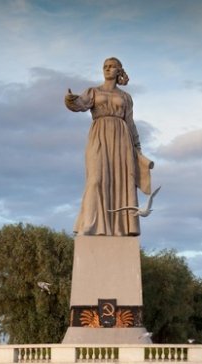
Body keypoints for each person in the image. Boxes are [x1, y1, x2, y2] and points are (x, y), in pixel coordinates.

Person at [65, 57, 152, 236]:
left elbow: (130, 122)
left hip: (122, 139)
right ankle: (91, 223)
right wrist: (71, 100)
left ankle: (119, 227)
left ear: (119, 71)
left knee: (121, 181)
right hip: (99, 137)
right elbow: (80, 104)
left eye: (112, 67)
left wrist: (137, 148)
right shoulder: (93, 91)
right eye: (105, 66)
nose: (107, 69)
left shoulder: (125, 97)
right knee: (95, 179)